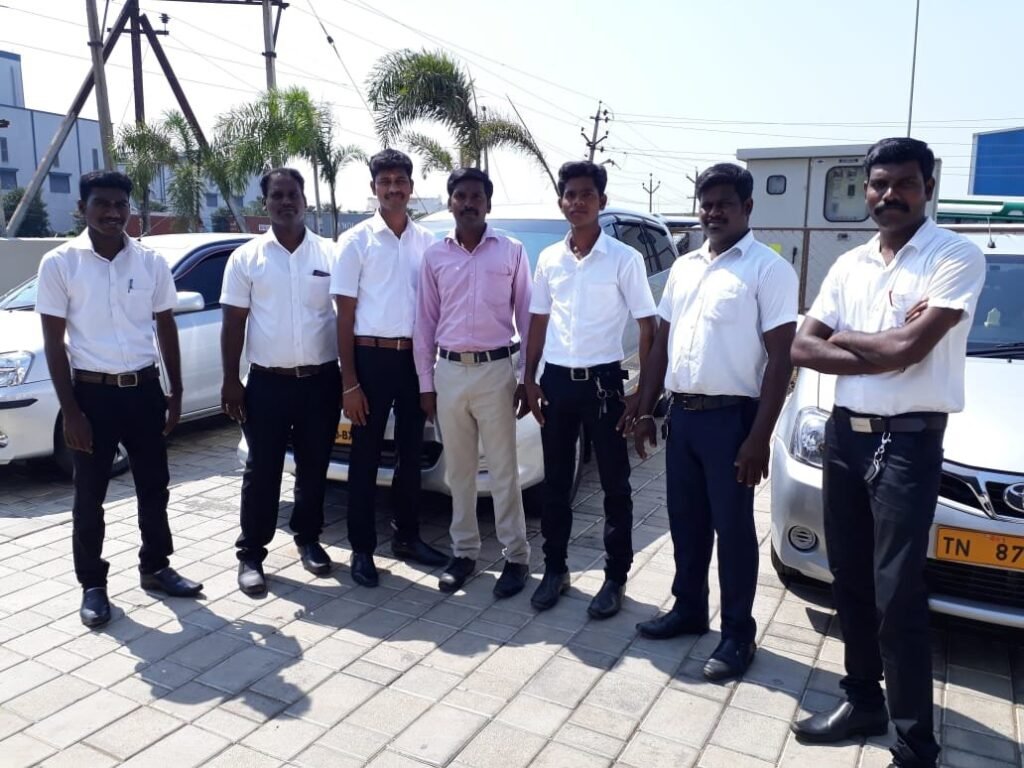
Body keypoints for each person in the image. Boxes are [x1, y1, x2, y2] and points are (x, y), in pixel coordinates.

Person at [789, 138, 985, 768]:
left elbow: (910, 351)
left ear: (928, 187)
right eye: (878, 183)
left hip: (907, 441)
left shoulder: (954, 255)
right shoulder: (850, 264)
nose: (889, 194)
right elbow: (802, 347)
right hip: (845, 435)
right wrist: (879, 340)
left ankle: (914, 743)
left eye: (904, 183)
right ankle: (862, 702)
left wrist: (855, 339)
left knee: (896, 590)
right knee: (848, 577)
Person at [630, 163, 798, 681]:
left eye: (725, 203)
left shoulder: (768, 270)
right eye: (706, 204)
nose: (714, 212)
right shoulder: (684, 267)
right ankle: (688, 608)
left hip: (733, 421)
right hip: (684, 416)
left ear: (748, 207)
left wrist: (759, 438)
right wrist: (644, 408)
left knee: (733, 530)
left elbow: (781, 359)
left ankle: (737, 635)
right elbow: (662, 343)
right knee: (686, 521)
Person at [36, 170, 203, 628]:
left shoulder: (149, 262)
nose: (113, 213)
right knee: (90, 495)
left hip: (144, 391)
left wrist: (175, 391)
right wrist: (71, 411)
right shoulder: (60, 263)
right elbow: (53, 343)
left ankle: (156, 567)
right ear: (82, 209)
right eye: (102, 204)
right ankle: (93, 584)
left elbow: (165, 325)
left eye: (120, 205)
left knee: (154, 485)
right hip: (92, 396)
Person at [523, 160, 656, 618]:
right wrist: (528, 379)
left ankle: (615, 577)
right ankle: (554, 569)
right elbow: (537, 322)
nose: (577, 202)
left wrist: (640, 394)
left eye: (587, 194)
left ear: (602, 200)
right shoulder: (549, 259)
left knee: (615, 485)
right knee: (556, 483)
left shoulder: (624, 258)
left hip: (603, 385)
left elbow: (648, 326)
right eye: (570, 195)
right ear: (561, 201)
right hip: (557, 383)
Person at [220, 168, 341, 597]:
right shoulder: (246, 258)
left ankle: (308, 539)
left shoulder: (331, 254)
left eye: (292, 194)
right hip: (267, 384)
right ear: (266, 202)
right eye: (277, 195)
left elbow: (347, 316)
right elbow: (233, 323)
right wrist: (230, 381)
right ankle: (251, 554)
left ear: (305, 200)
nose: (286, 202)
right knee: (262, 469)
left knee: (314, 466)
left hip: (321, 381)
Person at [331, 149, 449, 587]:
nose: (393, 188)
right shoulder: (355, 241)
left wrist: (430, 373)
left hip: (414, 358)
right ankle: (362, 549)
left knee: (410, 453)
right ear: (374, 188)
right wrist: (349, 382)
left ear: (411, 188)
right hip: (370, 358)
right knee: (364, 457)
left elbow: (435, 310)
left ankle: (407, 537)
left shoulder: (428, 243)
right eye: (385, 182)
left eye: (400, 181)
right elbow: (344, 315)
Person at [413, 167, 533, 596]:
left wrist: (526, 377)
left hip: (496, 371)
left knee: (503, 470)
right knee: (458, 471)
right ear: (450, 203)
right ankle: (464, 553)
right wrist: (426, 384)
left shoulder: (511, 251)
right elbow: (424, 323)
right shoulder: (434, 256)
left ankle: (516, 557)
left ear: (488, 203)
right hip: (448, 373)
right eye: (460, 196)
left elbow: (526, 316)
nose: (468, 203)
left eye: (476, 196)